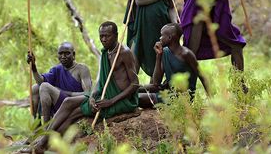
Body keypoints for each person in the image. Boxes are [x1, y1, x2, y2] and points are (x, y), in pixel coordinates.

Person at [28, 21, 139, 152]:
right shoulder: (105, 52)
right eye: (101, 36)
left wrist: (111, 101)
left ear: (116, 35)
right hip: (104, 96)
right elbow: (99, 81)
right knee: (70, 116)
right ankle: (46, 142)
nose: (103, 39)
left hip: (120, 101)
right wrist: (92, 96)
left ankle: (42, 143)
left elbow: (135, 84)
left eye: (107, 36)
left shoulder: (124, 53)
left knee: (69, 102)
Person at [139, 23, 210, 107]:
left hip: (182, 97)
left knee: (139, 98)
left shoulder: (186, 54)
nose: (160, 38)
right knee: (135, 90)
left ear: (169, 38)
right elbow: (156, 83)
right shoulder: (165, 52)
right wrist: (158, 56)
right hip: (168, 92)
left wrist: (212, 100)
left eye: (162, 35)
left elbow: (202, 76)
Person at [27, 42, 92, 123]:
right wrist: (33, 67)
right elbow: (40, 81)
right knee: (35, 88)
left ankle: (46, 128)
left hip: (74, 103)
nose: (63, 56)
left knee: (45, 86)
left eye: (67, 53)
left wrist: (66, 93)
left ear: (73, 54)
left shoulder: (82, 69)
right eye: (60, 54)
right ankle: (37, 124)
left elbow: (87, 94)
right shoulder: (57, 70)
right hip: (59, 104)